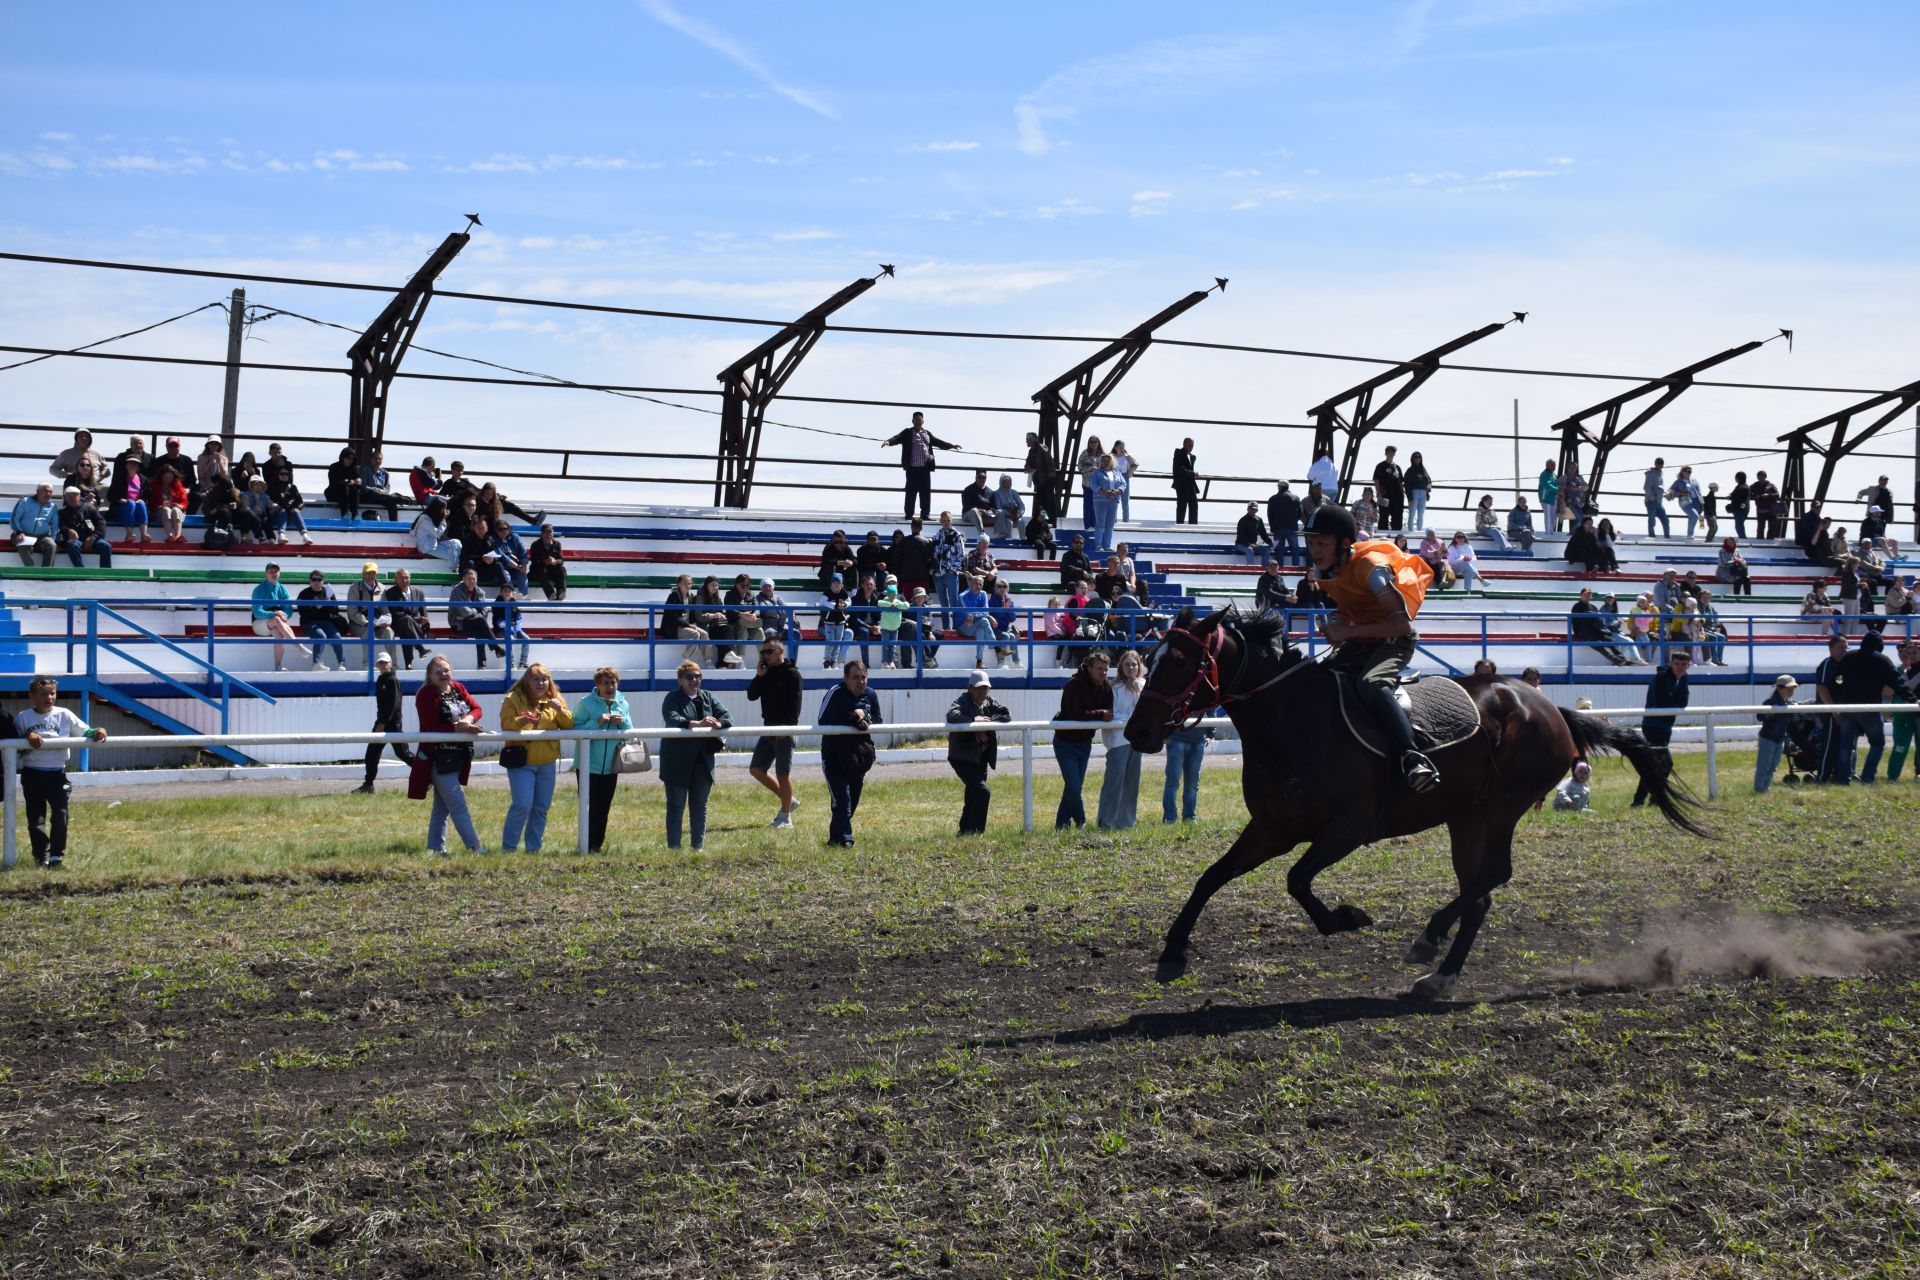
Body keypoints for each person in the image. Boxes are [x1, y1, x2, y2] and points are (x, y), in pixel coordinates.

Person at [1304, 503, 1441, 791]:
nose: (1315, 550)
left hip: (1394, 641)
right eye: (1311, 542)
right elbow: (1347, 604)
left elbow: (1402, 625)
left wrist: (1349, 631)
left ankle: (1412, 757)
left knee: (1370, 683)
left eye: (1322, 543)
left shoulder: (1371, 569)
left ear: (1344, 543)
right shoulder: (1329, 568)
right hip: (1361, 640)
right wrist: (1337, 623)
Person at [12, 675, 107, 868]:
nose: (49, 697)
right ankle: (41, 857)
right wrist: (27, 736)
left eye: (52, 693)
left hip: (57, 774)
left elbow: (85, 731)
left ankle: (56, 857)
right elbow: (14, 742)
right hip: (32, 775)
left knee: (61, 814)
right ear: (32, 696)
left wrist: (99, 731)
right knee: (36, 819)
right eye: (44, 694)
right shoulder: (24, 718)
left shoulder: (64, 714)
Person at [408, 654, 485, 855]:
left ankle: (435, 849)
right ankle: (475, 848)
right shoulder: (425, 694)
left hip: (458, 756)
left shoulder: (458, 688)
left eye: (446, 670)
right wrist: (462, 729)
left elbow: (477, 708)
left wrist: (468, 719)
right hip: (437, 758)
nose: (443, 674)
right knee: (458, 805)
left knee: (442, 808)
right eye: (438, 671)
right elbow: (432, 725)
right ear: (430, 675)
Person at [497, 662, 572, 853]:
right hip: (521, 762)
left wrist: (560, 711)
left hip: (547, 762)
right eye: (536, 679)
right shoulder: (513, 698)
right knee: (522, 804)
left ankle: (533, 849)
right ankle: (508, 849)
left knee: (541, 808)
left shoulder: (555, 698)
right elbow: (506, 724)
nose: (541, 683)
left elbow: (570, 724)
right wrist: (521, 721)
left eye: (544, 679)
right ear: (526, 681)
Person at [660, 660, 731, 851]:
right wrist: (697, 724)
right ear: (680, 680)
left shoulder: (708, 697)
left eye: (698, 676)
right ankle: (674, 848)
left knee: (700, 806)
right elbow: (672, 718)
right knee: (676, 806)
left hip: (703, 761)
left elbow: (727, 717)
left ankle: (697, 847)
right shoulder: (672, 698)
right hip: (677, 760)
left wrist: (717, 724)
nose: (694, 680)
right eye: (690, 677)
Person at [817, 658, 880, 847]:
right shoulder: (834, 692)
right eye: (855, 678)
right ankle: (846, 840)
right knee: (842, 800)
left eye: (864, 677)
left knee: (851, 801)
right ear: (845, 678)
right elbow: (822, 720)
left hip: (858, 758)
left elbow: (878, 719)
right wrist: (851, 716)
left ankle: (835, 839)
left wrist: (865, 716)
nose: (860, 682)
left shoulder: (871, 694)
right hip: (834, 757)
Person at [1832, 632, 1908, 784]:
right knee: (1877, 743)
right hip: (1870, 708)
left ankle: (1843, 780)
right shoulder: (1882, 660)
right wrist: (1912, 698)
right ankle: (1867, 778)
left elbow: (1837, 679)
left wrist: (1841, 696)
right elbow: (1897, 682)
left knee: (1845, 745)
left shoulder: (1848, 657)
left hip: (1848, 708)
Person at [572, 668, 632, 853]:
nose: (610, 686)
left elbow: (629, 730)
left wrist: (621, 722)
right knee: (588, 807)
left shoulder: (622, 702)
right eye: (605, 682)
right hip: (588, 765)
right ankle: (584, 845)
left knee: (603, 808)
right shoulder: (585, 703)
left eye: (613, 682)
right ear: (597, 684)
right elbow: (575, 729)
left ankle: (596, 846)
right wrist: (597, 722)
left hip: (611, 766)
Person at [946, 669, 1012, 835]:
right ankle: (977, 832)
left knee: (973, 796)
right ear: (969, 688)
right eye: (978, 688)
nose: (982, 692)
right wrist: (973, 721)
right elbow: (951, 716)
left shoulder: (989, 701)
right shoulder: (962, 700)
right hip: (961, 757)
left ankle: (965, 831)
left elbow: (1006, 714)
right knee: (983, 792)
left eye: (985, 688)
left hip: (981, 757)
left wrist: (988, 722)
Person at [747, 637, 803, 828]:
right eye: (762, 652)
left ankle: (785, 817)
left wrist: (786, 730)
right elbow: (752, 695)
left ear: (780, 651)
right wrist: (759, 675)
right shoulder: (766, 673)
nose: (765, 655)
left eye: (769, 651)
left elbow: (795, 707)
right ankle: (789, 800)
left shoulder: (793, 674)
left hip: (785, 730)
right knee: (756, 769)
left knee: (782, 774)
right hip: (768, 727)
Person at [1053, 650, 1113, 828]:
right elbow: (1074, 714)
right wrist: (1100, 714)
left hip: (1085, 742)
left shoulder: (1106, 686)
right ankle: (1081, 822)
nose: (1103, 672)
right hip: (1065, 742)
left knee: (1074, 787)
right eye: (1099, 668)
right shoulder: (1074, 684)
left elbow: (1109, 710)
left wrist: (1102, 714)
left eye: (1106, 669)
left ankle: (1061, 825)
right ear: (1088, 668)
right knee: (1073, 786)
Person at [353, 652, 417, 794]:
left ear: (390, 664)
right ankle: (368, 784)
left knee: (403, 753)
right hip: (382, 721)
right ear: (377, 665)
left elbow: (393, 705)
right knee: (372, 754)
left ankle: (429, 777)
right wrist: (381, 722)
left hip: (392, 724)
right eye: (380, 662)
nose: (383, 665)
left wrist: (382, 723)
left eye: (385, 662)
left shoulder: (392, 680)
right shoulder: (381, 679)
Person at [1097, 649, 1147, 829]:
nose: (1131, 668)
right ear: (1121, 667)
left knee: (1132, 782)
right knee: (1114, 782)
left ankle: (1126, 822)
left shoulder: (1144, 686)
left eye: (1134, 664)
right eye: (1127, 664)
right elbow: (1112, 713)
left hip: (1137, 740)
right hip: (1118, 739)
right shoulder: (1113, 686)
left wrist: (1137, 692)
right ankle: (1106, 821)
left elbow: (1146, 713)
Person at [1635, 651, 1690, 807]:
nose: (1680, 667)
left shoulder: (1684, 678)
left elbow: (1683, 702)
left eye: (1683, 665)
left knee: (1652, 765)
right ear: (1671, 663)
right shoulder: (1662, 677)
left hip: (1665, 727)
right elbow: (1662, 701)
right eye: (1677, 664)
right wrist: (1674, 703)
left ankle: (1640, 800)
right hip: (1652, 726)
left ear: (1688, 666)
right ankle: (1655, 798)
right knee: (1665, 764)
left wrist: (1674, 703)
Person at [882, 411, 956, 521]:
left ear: (923, 421)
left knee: (925, 493)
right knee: (911, 492)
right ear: (912, 421)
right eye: (915, 419)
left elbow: (938, 442)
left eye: (919, 419)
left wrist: (951, 446)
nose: (918, 421)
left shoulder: (927, 433)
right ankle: (909, 515)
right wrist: (888, 442)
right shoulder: (907, 432)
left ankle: (925, 515)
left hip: (925, 468)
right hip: (912, 468)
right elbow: (897, 438)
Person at [248, 563, 305, 671]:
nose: (273, 574)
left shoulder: (283, 589)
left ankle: (278, 666)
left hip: (276, 623)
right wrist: (275, 614)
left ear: (279, 573)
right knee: (277, 620)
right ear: (266, 574)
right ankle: (299, 646)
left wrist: (285, 616)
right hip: (259, 624)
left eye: (276, 571)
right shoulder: (258, 589)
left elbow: (288, 609)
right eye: (271, 572)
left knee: (279, 634)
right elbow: (257, 613)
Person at [449, 567, 504, 668]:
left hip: (473, 623)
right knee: (480, 622)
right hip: (458, 625)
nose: (471, 581)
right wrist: (476, 611)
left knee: (480, 626)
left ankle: (481, 663)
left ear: (477, 579)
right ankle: (495, 648)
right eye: (468, 579)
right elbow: (463, 611)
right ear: (463, 579)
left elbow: (484, 611)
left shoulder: (480, 592)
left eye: (473, 579)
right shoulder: (456, 591)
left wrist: (472, 613)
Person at [1754, 674, 1799, 793]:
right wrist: (1774, 711)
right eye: (1788, 688)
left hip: (1779, 738)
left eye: (1793, 688)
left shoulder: (1787, 704)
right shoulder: (1770, 702)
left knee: (1773, 767)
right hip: (1768, 738)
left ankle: (1765, 789)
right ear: (1779, 688)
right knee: (1764, 767)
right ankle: (1759, 789)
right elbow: (1760, 716)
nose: (1791, 691)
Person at [295, 569, 348, 670]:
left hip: (326, 622)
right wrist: (316, 607)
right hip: (309, 623)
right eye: (314, 579)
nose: (316, 582)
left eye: (319, 579)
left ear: (323, 581)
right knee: (321, 636)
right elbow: (302, 612)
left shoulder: (328, 592)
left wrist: (328, 603)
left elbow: (335, 610)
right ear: (310, 581)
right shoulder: (304, 593)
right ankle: (316, 663)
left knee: (336, 636)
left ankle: (341, 662)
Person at [1162, 720, 1208, 824]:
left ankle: (1189, 817)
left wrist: (1210, 733)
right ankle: (1169, 818)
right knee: (1173, 781)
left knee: (1192, 783)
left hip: (1198, 739)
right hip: (1176, 738)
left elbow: (1210, 709)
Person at [1571, 587, 1631, 666]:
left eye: (1589, 594)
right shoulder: (1576, 607)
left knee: (1611, 640)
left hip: (1595, 631)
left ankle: (1622, 659)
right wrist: (1577, 634)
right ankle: (1615, 659)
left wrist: (1604, 630)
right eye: (1585, 594)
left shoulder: (1593, 607)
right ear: (1581, 595)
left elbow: (1598, 621)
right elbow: (1575, 622)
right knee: (1598, 643)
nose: (1587, 596)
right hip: (1584, 633)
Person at [385, 568, 431, 669]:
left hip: (412, 626)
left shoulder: (419, 593)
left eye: (406, 578)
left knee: (406, 629)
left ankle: (408, 664)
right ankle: (420, 648)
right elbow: (396, 613)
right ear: (396, 580)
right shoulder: (390, 593)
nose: (404, 580)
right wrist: (417, 619)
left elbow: (424, 610)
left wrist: (424, 620)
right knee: (405, 620)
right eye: (401, 578)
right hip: (397, 623)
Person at [54, 487, 111, 568]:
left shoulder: (90, 508)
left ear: (79, 496)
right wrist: (68, 530)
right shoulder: (62, 512)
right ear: (65, 497)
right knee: (72, 545)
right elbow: (61, 526)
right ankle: (80, 571)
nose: (72, 498)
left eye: (74, 495)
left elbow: (101, 524)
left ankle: (106, 573)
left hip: (91, 539)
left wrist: (93, 537)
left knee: (106, 546)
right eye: (69, 496)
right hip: (75, 540)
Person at [1888, 640, 1920, 781]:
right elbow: (1905, 687)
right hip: (1907, 715)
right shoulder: (1906, 672)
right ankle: (1892, 776)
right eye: (1909, 653)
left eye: (1915, 652)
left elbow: (1904, 688)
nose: (1911, 655)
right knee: (1900, 746)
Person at [662, 572, 710, 665]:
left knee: (704, 634)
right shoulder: (673, 597)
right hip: (674, 628)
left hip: (686, 625)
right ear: (678, 584)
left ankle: (707, 660)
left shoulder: (690, 597)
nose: (688, 585)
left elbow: (691, 614)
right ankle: (685, 659)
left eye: (689, 583)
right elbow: (673, 616)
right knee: (695, 634)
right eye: (685, 583)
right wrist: (689, 625)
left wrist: (693, 623)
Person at [11, 483, 57, 567]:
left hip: (42, 537)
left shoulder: (52, 506)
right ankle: (31, 571)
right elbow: (14, 518)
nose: (48, 494)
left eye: (50, 492)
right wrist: (19, 532)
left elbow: (55, 525)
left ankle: (46, 574)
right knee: (23, 543)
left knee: (52, 545)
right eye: (45, 491)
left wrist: (54, 539)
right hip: (22, 534)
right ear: (38, 492)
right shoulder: (24, 502)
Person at [1088, 453, 1123, 552]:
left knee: (1110, 524)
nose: (1106, 462)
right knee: (1100, 523)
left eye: (1108, 460)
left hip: (1114, 500)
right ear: (1100, 462)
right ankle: (1099, 545)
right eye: (1104, 460)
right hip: (1100, 500)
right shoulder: (1096, 473)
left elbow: (1123, 483)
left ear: (1112, 461)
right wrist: (1104, 492)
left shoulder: (1117, 473)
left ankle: (1107, 546)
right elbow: (1093, 485)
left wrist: (1118, 490)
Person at [412, 497, 461, 567]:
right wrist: (443, 519)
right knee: (454, 555)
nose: (444, 512)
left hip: (434, 543)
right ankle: (454, 569)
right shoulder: (425, 520)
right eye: (443, 510)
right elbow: (437, 534)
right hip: (427, 547)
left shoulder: (432, 516)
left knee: (456, 542)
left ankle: (454, 567)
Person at [358, 448, 404, 520]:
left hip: (381, 496)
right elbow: (363, 487)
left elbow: (387, 488)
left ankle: (394, 523)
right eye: (375, 459)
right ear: (371, 459)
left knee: (391, 501)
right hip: (369, 495)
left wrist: (382, 492)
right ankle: (397, 498)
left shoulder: (385, 473)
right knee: (387, 496)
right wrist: (377, 490)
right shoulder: (365, 470)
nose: (378, 461)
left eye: (380, 459)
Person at [528, 524, 567, 601]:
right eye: (545, 533)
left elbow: (561, 560)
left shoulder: (557, 544)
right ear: (541, 534)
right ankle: (551, 594)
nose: (548, 535)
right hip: (538, 572)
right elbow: (534, 562)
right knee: (540, 570)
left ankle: (561, 593)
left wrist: (555, 561)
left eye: (550, 533)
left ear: (553, 534)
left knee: (561, 569)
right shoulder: (535, 545)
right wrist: (545, 562)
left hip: (552, 571)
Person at [326, 446, 366, 520]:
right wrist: (344, 482)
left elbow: (359, 481)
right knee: (344, 487)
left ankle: (355, 513)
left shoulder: (354, 468)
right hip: (334, 493)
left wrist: (352, 482)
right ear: (342, 458)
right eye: (347, 458)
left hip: (349, 494)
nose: (349, 460)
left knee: (356, 489)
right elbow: (333, 483)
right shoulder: (334, 467)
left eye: (351, 459)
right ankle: (345, 513)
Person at [1076, 434, 1105, 532]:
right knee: (1088, 505)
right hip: (1087, 483)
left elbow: (1108, 467)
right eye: (1091, 442)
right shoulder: (1085, 453)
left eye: (1095, 442)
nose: (1093, 444)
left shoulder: (1102, 455)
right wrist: (1089, 468)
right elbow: (1079, 466)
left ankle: (1096, 525)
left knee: (1097, 505)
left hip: (1099, 485)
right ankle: (1088, 525)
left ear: (1098, 443)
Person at [1373, 446, 1405, 531]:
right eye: (1389, 452)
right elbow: (1376, 479)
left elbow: (1401, 481)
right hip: (1385, 494)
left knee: (1397, 514)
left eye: (1392, 453)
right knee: (1384, 513)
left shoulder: (1397, 467)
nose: (1390, 454)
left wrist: (1403, 492)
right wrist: (1378, 492)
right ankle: (1383, 531)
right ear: (1385, 453)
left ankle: (1396, 531)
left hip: (1397, 495)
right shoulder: (1380, 466)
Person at [1668, 465, 1703, 539]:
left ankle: (1690, 535)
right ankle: (1690, 535)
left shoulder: (1694, 480)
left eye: (1690, 471)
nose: (1689, 473)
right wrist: (1680, 493)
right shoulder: (1678, 482)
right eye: (1687, 471)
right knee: (1694, 516)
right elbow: (1670, 491)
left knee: (1693, 517)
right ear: (1682, 472)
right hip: (1685, 502)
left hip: (1697, 501)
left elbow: (1699, 492)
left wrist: (1702, 503)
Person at [988, 474, 1026, 541]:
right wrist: (1009, 515)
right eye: (1005, 481)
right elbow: (999, 507)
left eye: (1009, 481)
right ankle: (1009, 540)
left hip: (1016, 515)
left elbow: (1021, 505)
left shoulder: (1014, 492)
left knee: (1021, 521)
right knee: (1009, 523)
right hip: (1006, 516)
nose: (1007, 483)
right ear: (1001, 482)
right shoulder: (997, 493)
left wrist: (1020, 514)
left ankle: (1023, 539)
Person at [1171, 437, 1199, 524]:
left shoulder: (1191, 457)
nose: (1191, 447)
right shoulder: (1179, 453)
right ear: (1184, 444)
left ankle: (1193, 525)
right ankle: (1180, 524)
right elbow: (1180, 469)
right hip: (1182, 485)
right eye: (1189, 445)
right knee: (1182, 506)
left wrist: (1193, 474)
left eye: (1192, 445)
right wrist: (1193, 474)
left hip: (1190, 484)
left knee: (1194, 505)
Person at [1404, 451, 1433, 533]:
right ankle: (1410, 531)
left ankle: (1419, 530)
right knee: (1412, 512)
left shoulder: (1423, 470)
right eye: (1415, 457)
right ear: (1412, 459)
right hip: (1414, 492)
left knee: (1421, 514)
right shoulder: (1409, 470)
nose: (1417, 459)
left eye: (1419, 457)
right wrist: (1409, 496)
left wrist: (1428, 491)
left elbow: (1429, 481)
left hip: (1423, 493)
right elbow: (1407, 485)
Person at [1644, 457, 1672, 536]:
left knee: (1665, 520)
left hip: (1659, 502)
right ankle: (1651, 536)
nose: (1659, 464)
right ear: (1655, 464)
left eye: (1661, 463)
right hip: (1651, 501)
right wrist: (1652, 497)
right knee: (1652, 520)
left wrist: (1665, 494)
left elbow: (1659, 488)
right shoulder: (1651, 473)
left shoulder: (1660, 474)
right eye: (1658, 462)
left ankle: (1667, 537)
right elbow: (1646, 487)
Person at [1111, 440, 1137, 522]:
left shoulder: (1127, 456)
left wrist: (1131, 471)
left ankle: (1126, 521)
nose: (1122, 449)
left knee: (1125, 501)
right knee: (1114, 501)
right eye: (1120, 447)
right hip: (1114, 478)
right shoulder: (1111, 456)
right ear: (1115, 447)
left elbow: (1136, 464)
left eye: (1123, 447)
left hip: (1124, 477)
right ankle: (1113, 521)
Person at [1727, 471, 1752, 540]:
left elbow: (1746, 498)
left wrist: (1731, 497)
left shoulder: (1743, 487)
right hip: (1740, 509)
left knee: (1739, 525)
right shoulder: (1742, 486)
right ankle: (1742, 538)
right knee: (1739, 524)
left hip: (1740, 509)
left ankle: (1743, 538)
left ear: (1739, 478)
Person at [1537, 460, 1559, 532]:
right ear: (1547, 465)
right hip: (1546, 498)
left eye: (1554, 465)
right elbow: (1547, 485)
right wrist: (1558, 489)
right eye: (1552, 465)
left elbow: (1556, 484)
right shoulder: (1544, 474)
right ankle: (1548, 532)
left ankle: (1551, 531)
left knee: (1553, 515)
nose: (1553, 466)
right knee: (1548, 515)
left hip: (1553, 498)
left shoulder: (1554, 475)